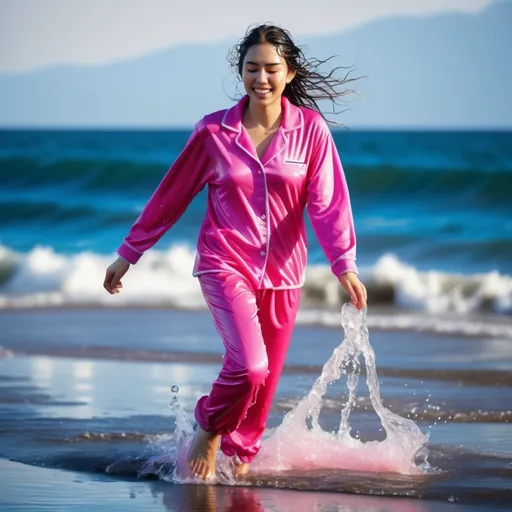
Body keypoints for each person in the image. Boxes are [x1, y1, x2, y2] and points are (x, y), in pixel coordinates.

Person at [103, 24, 367, 481]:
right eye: (251, 68)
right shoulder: (213, 131)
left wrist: (344, 264)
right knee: (249, 366)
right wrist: (129, 253)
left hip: (285, 274)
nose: (260, 78)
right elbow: (172, 195)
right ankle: (209, 425)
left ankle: (237, 464)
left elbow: (327, 202)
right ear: (239, 71)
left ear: (289, 73)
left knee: (262, 390)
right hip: (224, 262)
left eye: (271, 68)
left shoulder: (311, 131)